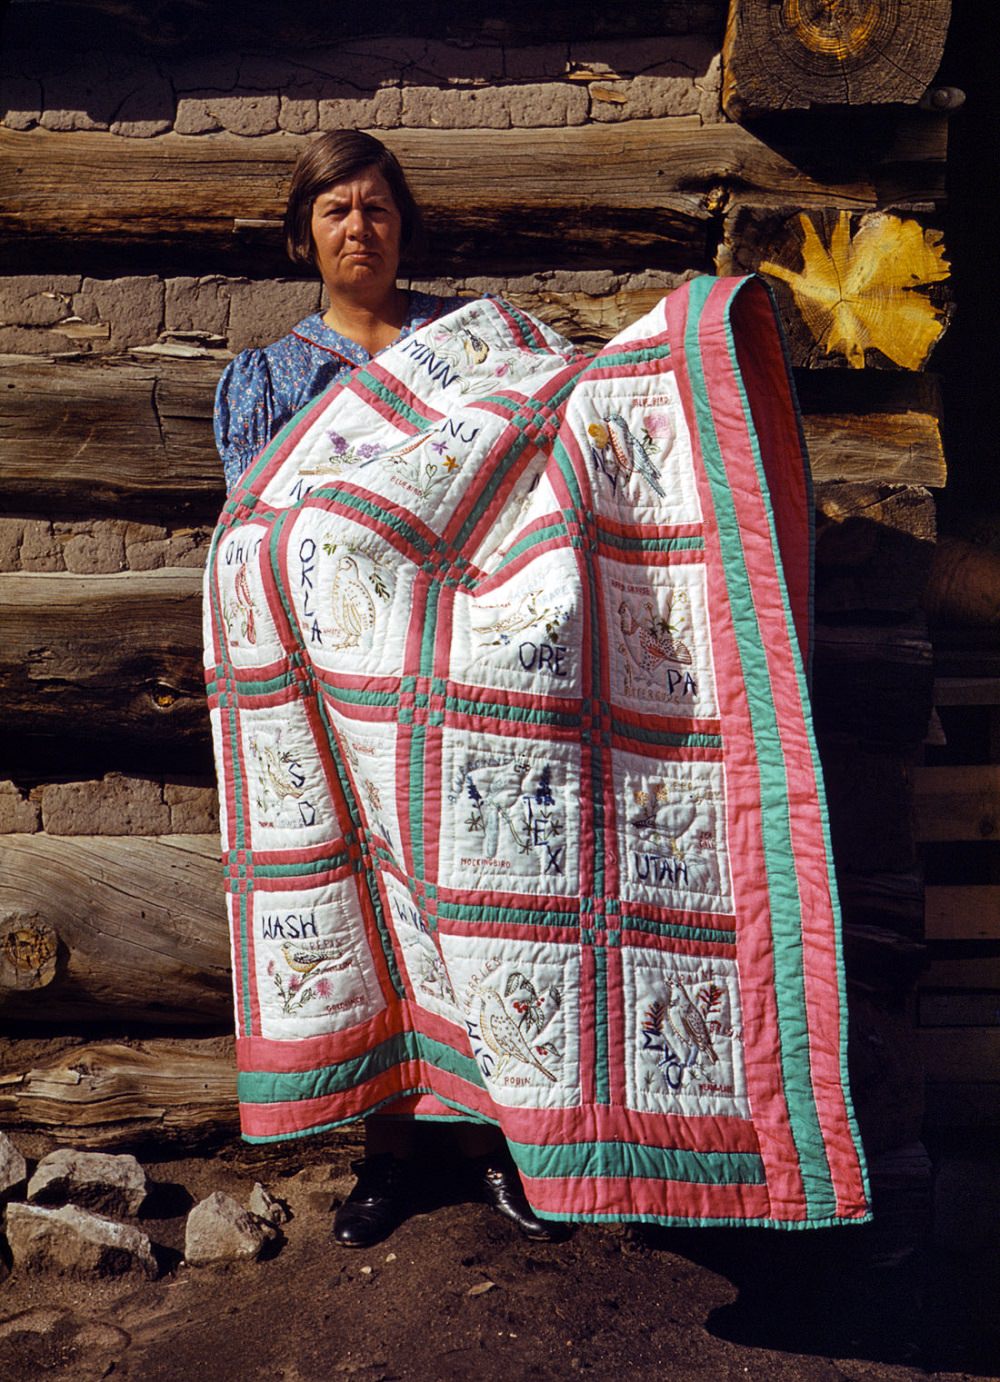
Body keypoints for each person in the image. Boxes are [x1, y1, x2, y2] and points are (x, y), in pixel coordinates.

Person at [213, 130, 558, 1247]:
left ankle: (499, 1145)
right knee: (369, 912)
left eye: (375, 207)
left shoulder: (468, 349)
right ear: (301, 235)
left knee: (470, 903)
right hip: (337, 697)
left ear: (403, 223)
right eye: (335, 211)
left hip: (463, 685)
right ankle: (390, 1156)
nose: (358, 227)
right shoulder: (266, 382)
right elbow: (258, 543)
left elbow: (536, 472)